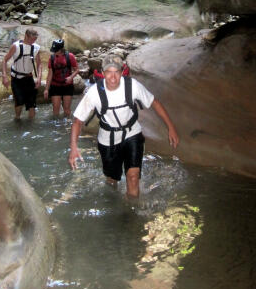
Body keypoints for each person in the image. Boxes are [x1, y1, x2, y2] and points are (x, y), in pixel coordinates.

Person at [69, 55, 179, 198]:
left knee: (133, 177)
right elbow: (78, 121)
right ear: (102, 73)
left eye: (117, 72)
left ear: (122, 72)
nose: (113, 77)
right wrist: (73, 147)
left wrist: (171, 127)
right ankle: (113, 200)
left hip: (132, 133)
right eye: (109, 72)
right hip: (107, 139)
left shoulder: (132, 86)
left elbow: (154, 102)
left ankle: (131, 214)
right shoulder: (94, 93)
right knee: (112, 179)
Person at [2, 28, 42, 119]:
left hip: (29, 78)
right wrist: (4, 76)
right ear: (26, 36)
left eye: (35, 39)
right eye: (31, 39)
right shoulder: (15, 46)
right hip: (16, 79)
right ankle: (17, 119)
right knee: (19, 102)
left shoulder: (36, 48)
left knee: (32, 104)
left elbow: (39, 64)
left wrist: (39, 78)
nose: (33, 41)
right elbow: (4, 60)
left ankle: (31, 126)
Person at [44, 39, 79, 117]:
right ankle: (56, 127)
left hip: (67, 86)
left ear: (61, 49)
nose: (54, 52)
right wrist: (46, 89)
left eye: (55, 50)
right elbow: (50, 74)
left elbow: (77, 70)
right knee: (56, 110)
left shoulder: (70, 56)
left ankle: (66, 125)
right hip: (55, 85)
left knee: (67, 109)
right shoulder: (52, 58)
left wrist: (71, 77)